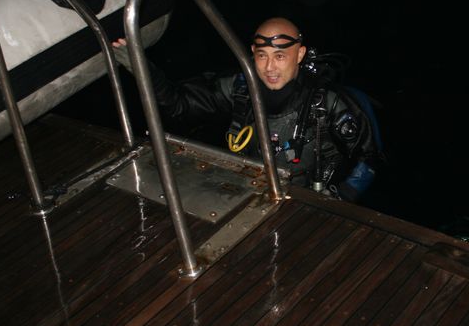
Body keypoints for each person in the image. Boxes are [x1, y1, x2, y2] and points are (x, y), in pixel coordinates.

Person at [115, 17, 381, 201]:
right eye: (262, 55)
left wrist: (338, 197)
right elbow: (178, 105)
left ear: (300, 54)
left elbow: (369, 158)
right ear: (252, 52)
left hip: (308, 198)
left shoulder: (328, 101)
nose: (269, 67)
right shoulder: (239, 88)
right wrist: (142, 68)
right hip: (253, 191)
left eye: (280, 56)